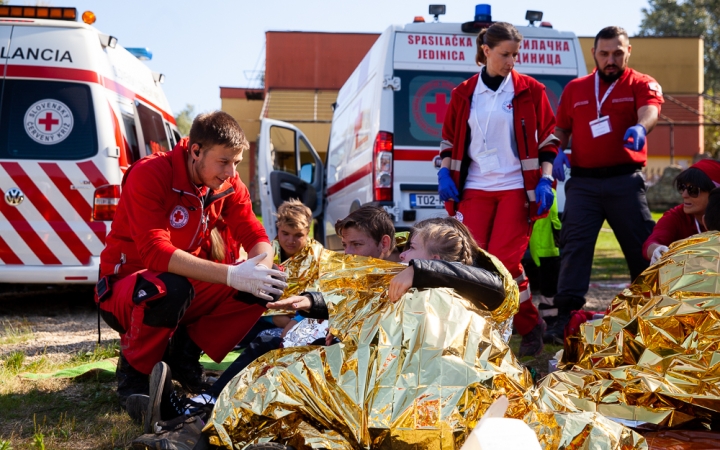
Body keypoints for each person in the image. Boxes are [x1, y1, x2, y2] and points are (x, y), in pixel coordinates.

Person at [95, 111, 288, 412]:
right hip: (125, 288)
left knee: (269, 282)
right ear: (195, 151)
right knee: (169, 287)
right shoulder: (151, 172)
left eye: (236, 163)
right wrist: (232, 274)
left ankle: (184, 356)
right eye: (224, 162)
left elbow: (255, 233)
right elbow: (155, 253)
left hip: (179, 284)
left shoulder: (227, 183)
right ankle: (134, 374)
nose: (231, 172)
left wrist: (259, 270)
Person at [438, 21, 559, 357]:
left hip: (515, 187)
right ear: (486, 51)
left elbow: (549, 139)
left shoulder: (530, 90)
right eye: (505, 54)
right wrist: (444, 173)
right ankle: (478, 329)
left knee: (504, 262)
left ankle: (528, 325)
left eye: (515, 54)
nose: (511, 61)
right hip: (474, 186)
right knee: (469, 260)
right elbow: (448, 140)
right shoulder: (463, 93)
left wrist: (546, 178)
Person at [546, 26, 664, 344]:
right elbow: (561, 128)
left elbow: (650, 110)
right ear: (594, 54)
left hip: (625, 180)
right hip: (583, 183)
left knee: (641, 246)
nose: (610, 59)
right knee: (574, 248)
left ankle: (652, 311)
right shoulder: (576, 89)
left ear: (628, 52)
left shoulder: (640, 82)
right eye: (604, 53)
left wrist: (641, 127)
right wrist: (556, 150)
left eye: (617, 53)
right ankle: (565, 317)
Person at [644, 159, 720, 264]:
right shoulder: (677, 216)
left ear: (715, 192)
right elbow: (652, 242)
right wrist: (657, 250)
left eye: (693, 190)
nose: (684, 195)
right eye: (682, 187)